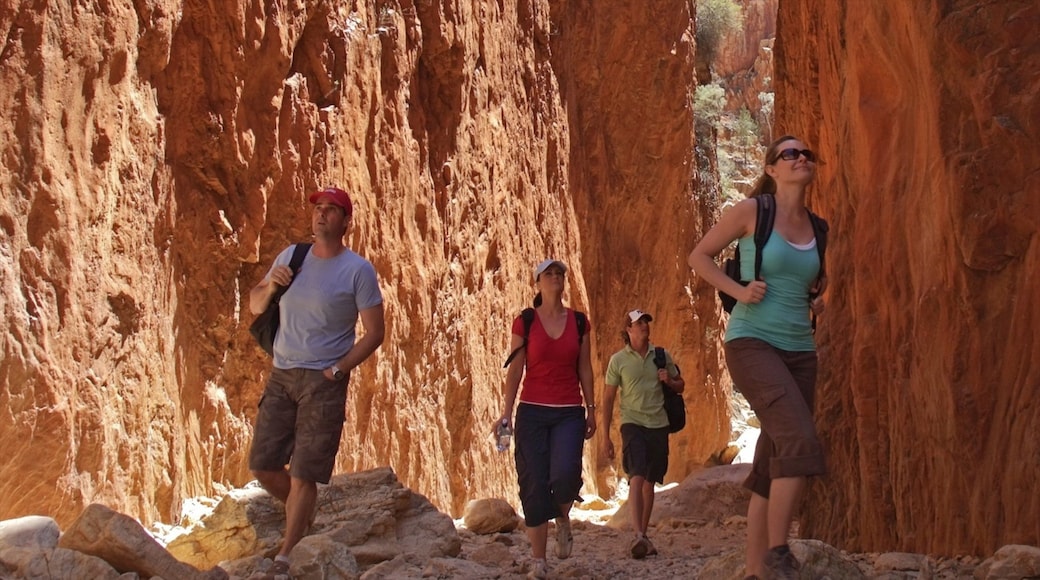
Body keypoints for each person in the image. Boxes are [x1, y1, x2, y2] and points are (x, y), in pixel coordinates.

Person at [687, 135, 828, 580]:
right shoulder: (753, 212)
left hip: (801, 351)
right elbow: (699, 256)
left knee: (771, 463)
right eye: (790, 153)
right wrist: (739, 290)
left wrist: (818, 300)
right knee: (799, 440)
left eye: (807, 153)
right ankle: (779, 552)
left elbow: (814, 284)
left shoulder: (819, 228)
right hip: (753, 343)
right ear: (772, 168)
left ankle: (753, 571)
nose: (801, 158)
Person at [247, 186, 385, 580]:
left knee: (304, 472)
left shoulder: (357, 270)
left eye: (331, 209)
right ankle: (303, 515)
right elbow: (256, 305)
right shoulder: (293, 257)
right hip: (283, 373)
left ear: (346, 221)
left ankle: (286, 555)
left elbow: (375, 332)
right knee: (262, 463)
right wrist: (271, 284)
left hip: (323, 381)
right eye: (318, 208)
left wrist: (339, 370)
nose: (321, 215)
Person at [498, 259, 596, 580]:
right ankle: (538, 560)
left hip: (569, 410)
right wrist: (505, 414)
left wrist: (592, 408)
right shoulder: (525, 322)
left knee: (565, 474)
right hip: (532, 412)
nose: (555, 277)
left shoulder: (580, 323)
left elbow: (584, 368)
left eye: (559, 273)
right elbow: (515, 370)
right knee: (534, 483)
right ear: (538, 283)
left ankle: (563, 517)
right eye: (549, 274)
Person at [601, 309, 685, 559]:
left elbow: (681, 385)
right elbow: (608, 397)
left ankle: (643, 534)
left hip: (658, 424)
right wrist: (605, 436)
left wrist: (669, 380)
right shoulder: (618, 360)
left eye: (646, 322)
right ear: (628, 330)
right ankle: (638, 535)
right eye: (638, 323)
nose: (644, 326)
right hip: (633, 424)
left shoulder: (661, 355)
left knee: (650, 481)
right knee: (636, 475)